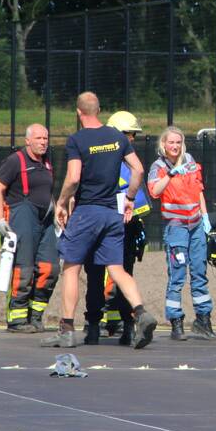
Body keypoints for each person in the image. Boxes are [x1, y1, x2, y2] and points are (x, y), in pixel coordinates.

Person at [41, 92, 157, 349]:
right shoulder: (117, 138)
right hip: (111, 214)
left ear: (79, 112)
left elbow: (73, 178)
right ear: (99, 110)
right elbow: (138, 169)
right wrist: (129, 198)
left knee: (71, 267)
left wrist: (61, 202)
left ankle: (67, 329)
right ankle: (140, 312)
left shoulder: (77, 140)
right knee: (116, 269)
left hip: (87, 212)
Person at [86, 111, 151, 346]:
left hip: (114, 226)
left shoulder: (111, 160)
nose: (132, 139)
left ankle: (111, 326)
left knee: (113, 277)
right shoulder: (122, 164)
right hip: (112, 226)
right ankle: (105, 325)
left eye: (133, 135)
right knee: (108, 276)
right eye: (128, 134)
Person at [147, 125, 216, 341]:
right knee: (177, 275)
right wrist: (169, 174)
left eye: (178, 142)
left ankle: (203, 320)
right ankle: (176, 322)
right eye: (171, 142)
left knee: (199, 272)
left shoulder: (191, 162)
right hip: (176, 226)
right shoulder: (158, 166)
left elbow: (199, 192)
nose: (175, 146)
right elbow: (154, 191)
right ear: (164, 144)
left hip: (195, 224)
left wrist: (205, 218)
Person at [0, 123, 59, 333]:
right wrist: (0, 220)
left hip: (45, 220)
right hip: (22, 216)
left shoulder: (47, 163)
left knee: (50, 268)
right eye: (38, 138)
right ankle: (17, 319)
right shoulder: (14, 161)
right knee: (24, 268)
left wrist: (56, 214)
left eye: (46, 138)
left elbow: (48, 192)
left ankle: (35, 315)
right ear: (27, 140)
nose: (43, 142)